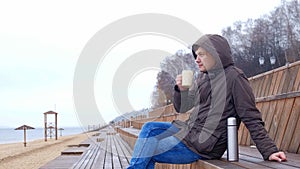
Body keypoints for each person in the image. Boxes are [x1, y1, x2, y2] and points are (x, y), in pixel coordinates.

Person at [127, 34, 286, 169]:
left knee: (147, 151)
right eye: (196, 55)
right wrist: (181, 90)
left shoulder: (234, 77)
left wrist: (269, 151)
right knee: (150, 128)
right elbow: (182, 108)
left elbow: (251, 116)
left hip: (204, 145)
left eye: (202, 54)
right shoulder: (204, 77)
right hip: (189, 133)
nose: (197, 59)